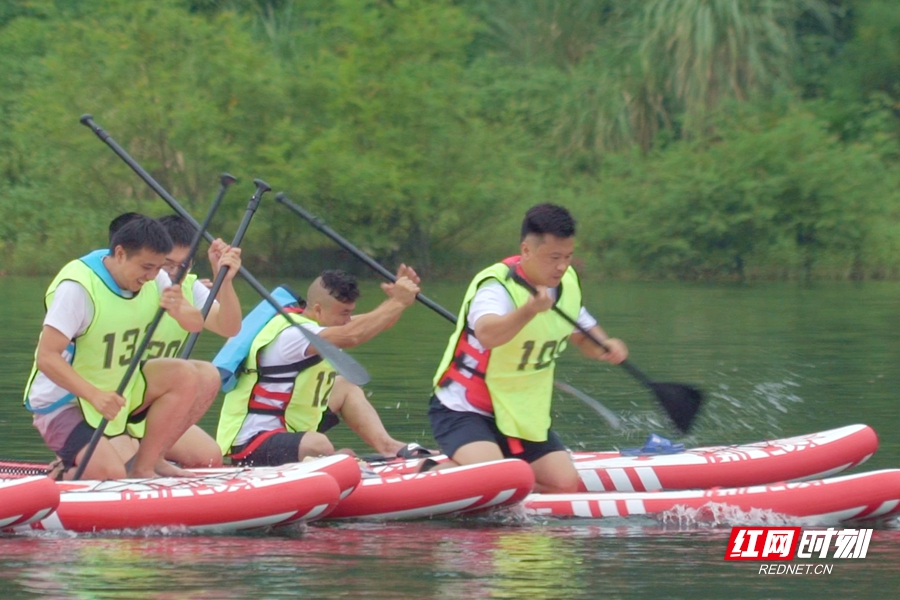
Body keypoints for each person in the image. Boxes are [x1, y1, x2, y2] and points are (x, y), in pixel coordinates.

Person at [428, 204, 628, 493]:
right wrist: (529, 310)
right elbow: (487, 335)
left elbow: (583, 335)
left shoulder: (567, 282)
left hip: (520, 414)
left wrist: (606, 345)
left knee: (564, 484)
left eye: (568, 257)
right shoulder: (495, 286)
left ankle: (500, 480)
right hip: (464, 409)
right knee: (499, 480)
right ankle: (435, 473)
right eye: (554, 257)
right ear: (526, 250)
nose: (562, 266)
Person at [24, 216, 221, 479]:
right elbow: (47, 358)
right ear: (119, 254)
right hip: (65, 402)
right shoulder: (78, 287)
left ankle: (145, 467)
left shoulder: (156, 277)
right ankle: (61, 477)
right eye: (146, 267)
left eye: (158, 268)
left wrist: (180, 309)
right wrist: (94, 395)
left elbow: (196, 323)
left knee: (187, 373)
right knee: (111, 475)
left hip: (117, 393)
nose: (152, 276)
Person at [216, 268, 431, 466]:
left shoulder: (320, 323)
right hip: (254, 443)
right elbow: (352, 335)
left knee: (346, 386)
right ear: (318, 310)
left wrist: (398, 300)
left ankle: (388, 447)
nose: (348, 320)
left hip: (292, 430)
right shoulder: (294, 334)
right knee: (319, 444)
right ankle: (336, 459)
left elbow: (376, 323)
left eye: (350, 313)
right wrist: (397, 303)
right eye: (344, 313)